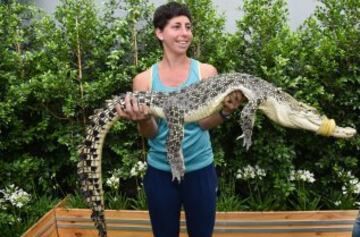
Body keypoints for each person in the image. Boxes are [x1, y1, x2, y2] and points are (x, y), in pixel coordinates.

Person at [116, 2, 244, 237]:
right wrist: (143, 120)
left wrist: (225, 112)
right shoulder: (144, 80)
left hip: (200, 170)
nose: (185, 33)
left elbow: (203, 123)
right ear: (159, 32)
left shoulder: (206, 72)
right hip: (161, 172)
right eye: (176, 26)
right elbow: (151, 133)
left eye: (188, 26)